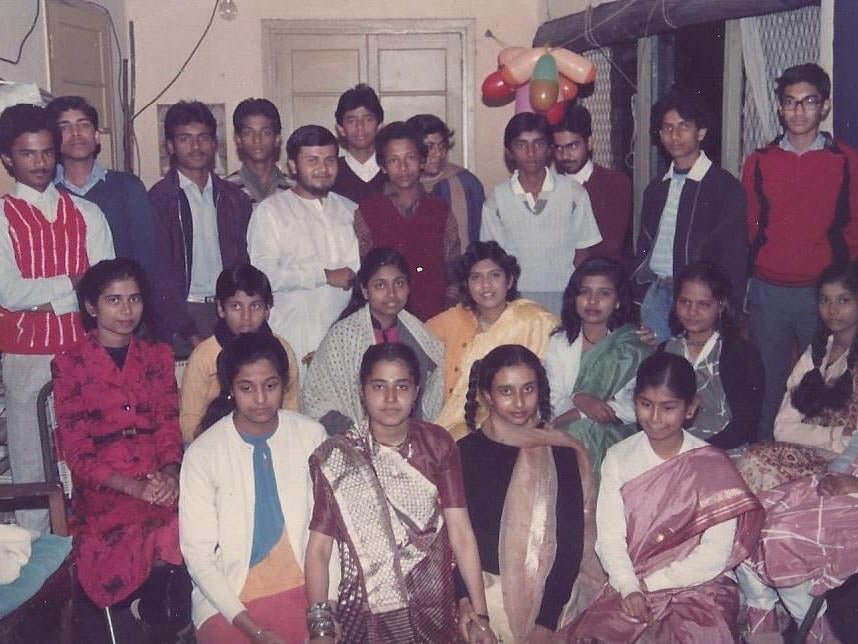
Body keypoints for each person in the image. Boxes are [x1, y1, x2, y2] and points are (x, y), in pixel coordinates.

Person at [562, 352, 763, 643]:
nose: (655, 419)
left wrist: (650, 584)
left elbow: (714, 554)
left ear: (691, 408)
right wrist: (629, 586)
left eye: (668, 408)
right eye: (646, 405)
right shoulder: (619, 457)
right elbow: (609, 536)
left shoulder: (711, 464)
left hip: (701, 586)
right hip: (631, 579)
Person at [304, 342, 496, 643]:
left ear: (416, 390)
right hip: (365, 615)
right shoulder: (337, 457)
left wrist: (481, 616)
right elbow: (318, 550)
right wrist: (320, 628)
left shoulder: (438, 445)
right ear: (363, 390)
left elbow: (460, 533)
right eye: (379, 386)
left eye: (401, 386)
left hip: (435, 609)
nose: (391, 399)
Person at [52, 258, 190, 641]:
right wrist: (133, 487)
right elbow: (76, 451)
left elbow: (167, 425)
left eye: (134, 299)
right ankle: (145, 618)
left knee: (190, 522)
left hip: (158, 476)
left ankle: (159, 617)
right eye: (114, 300)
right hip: (105, 488)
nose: (127, 310)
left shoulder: (158, 356)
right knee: (145, 528)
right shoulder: (69, 364)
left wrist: (171, 474)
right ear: (92, 307)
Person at [0, 103, 114, 532]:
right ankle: (38, 564)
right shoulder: (2, 218)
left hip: (84, 353)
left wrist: (44, 297)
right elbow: (10, 293)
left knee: (88, 455)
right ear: (8, 158)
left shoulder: (87, 214)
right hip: (24, 357)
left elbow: (104, 289)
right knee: (32, 462)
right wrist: (73, 282)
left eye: (47, 152)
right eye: (28, 154)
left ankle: (91, 555)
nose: (41, 163)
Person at [180, 332, 332, 643]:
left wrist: (325, 615)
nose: (260, 399)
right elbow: (199, 557)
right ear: (230, 389)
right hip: (230, 601)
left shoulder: (311, 436)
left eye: (271, 386)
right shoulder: (203, 453)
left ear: (284, 384)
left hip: (313, 588)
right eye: (246, 388)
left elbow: (332, 534)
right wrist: (255, 632)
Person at [744, 63, 858, 442]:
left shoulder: (845, 161)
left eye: (808, 102)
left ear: (823, 106)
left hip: (823, 296)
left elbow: (853, 225)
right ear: (779, 108)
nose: (798, 111)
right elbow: (751, 223)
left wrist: (841, 285)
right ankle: (765, 454)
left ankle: (826, 464)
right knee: (769, 380)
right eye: (790, 102)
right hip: (768, 291)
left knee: (825, 383)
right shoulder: (759, 161)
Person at [457, 344, 589, 642]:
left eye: (527, 389)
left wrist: (545, 624)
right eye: (506, 391)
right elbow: (456, 540)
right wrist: (466, 604)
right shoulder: (465, 454)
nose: (519, 402)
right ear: (487, 396)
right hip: (481, 597)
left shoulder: (559, 451)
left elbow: (570, 543)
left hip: (550, 599)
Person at [631, 89, 747, 342]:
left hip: (698, 301)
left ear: (701, 132)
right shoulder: (656, 189)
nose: (675, 135)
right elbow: (643, 248)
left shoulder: (723, 187)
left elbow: (734, 259)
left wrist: (726, 307)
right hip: (657, 293)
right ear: (660, 134)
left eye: (684, 126)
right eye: (667, 128)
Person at [247, 124, 360, 379]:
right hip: (290, 342)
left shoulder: (351, 211)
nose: (323, 168)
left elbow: (359, 276)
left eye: (330, 160)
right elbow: (263, 277)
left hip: (343, 344)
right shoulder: (271, 212)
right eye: (312, 160)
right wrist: (324, 275)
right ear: (293, 166)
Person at [739, 261, 858, 493]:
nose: (833, 310)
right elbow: (782, 428)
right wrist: (835, 436)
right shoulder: (816, 354)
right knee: (753, 458)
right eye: (825, 300)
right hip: (817, 454)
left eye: (843, 300)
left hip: (850, 465)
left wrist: (841, 448)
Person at [302, 247, 445, 434]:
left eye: (399, 284)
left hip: (409, 438)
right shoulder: (342, 337)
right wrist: (358, 436)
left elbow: (434, 389)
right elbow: (316, 401)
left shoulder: (420, 335)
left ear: (408, 287)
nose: (392, 294)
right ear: (365, 290)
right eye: (381, 285)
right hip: (353, 441)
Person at [149, 100, 252, 355]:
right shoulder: (158, 200)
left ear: (214, 143)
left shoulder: (234, 198)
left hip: (229, 311)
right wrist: (188, 331)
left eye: (203, 137)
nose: (195, 146)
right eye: (185, 139)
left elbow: (244, 262)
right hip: (180, 314)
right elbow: (157, 274)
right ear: (170, 146)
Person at [428, 241, 558, 438]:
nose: (486, 285)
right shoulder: (452, 321)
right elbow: (416, 338)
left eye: (494, 276)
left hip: (522, 419)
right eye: (476, 278)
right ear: (466, 284)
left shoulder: (533, 319)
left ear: (509, 281)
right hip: (463, 424)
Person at [480, 112, 601, 316]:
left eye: (538, 144)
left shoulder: (574, 193)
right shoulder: (497, 199)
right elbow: (493, 257)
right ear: (509, 151)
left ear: (549, 149)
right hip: (514, 299)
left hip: (563, 296)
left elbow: (583, 250)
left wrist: (572, 291)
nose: (531, 152)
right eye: (521, 145)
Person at [737, 442, 858, 643]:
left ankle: (814, 632)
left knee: (780, 537)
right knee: (751, 517)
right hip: (846, 484)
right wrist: (834, 476)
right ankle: (763, 629)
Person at [542, 257, 652, 477]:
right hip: (563, 429)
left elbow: (636, 405)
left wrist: (581, 412)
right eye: (585, 292)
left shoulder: (631, 345)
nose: (593, 301)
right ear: (575, 298)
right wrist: (580, 398)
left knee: (583, 429)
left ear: (618, 301)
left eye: (604, 293)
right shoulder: (559, 342)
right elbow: (552, 398)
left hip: (617, 431)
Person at [179, 264, 299, 443]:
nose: (246, 317)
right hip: (215, 444)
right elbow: (189, 423)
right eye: (236, 306)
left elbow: (292, 411)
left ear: (267, 309)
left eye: (255, 306)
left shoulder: (282, 350)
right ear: (221, 308)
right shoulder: (204, 356)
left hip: (274, 439)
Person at [354, 121, 461, 320]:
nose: (403, 167)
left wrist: (447, 310)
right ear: (383, 166)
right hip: (386, 318)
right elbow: (365, 271)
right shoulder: (367, 212)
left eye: (410, 158)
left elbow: (453, 266)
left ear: (422, 160)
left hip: (437, 315)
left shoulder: (440, 209)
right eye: (394, 160)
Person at [46, 95, 157, 278]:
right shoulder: (47, 193)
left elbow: (146, 257)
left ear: (97, 136)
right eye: (64, 127)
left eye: (84, 125)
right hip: (62, 300)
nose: (76, 133)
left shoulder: (128, 187)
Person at [660, 261, 764, 454]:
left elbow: (745, 424)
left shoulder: (741, 354)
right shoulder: (666, 351)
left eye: (703, 304)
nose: (692, 312)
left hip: (724, 450)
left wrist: (698, 451)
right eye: (685, 302)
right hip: (669, 448)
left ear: (721, 305)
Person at [551, 103, 632, 264]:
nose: (565, 155)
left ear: (589, 143)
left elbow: (608, 245)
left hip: (600, 275)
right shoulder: (551, 185)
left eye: (572, 146)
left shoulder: (614, 183)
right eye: (558, 148)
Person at [406, 113, 486, 248]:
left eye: (442, 146)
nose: (438, 154)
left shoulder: (467, 183)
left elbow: (480, 236)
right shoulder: (400, 186)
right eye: (430, 147)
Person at [225, 98, 293, 207]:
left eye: (266, 132)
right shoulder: (225, 190)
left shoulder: (294, 189)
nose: (257, 140)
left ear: (277, 138)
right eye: (248, 133)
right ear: (238, 139)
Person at [330, 83, 387, 203]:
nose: (360, 127)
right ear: (341, 129)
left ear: (379, 126)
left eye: (368, 119)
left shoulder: (393, 169)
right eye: (351, 121)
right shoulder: (330, 172)